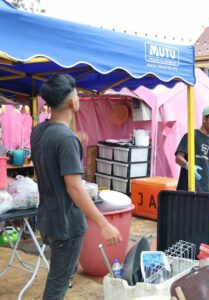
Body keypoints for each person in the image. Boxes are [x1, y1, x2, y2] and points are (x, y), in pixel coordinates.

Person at [31, 74, 122, 299]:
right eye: (76, 94)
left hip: (48, 219)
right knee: (58, 284)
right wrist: (104, 224)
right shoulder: (65, 139)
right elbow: (74, 188)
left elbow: (55, 145)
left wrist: (72, 139)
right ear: (73, 102)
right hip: (66, 224)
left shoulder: (40, 132)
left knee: (63, 272)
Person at [175, 104, 209, 192]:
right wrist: (188, 166)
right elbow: (178, 158)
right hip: (188, 189)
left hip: (206, 190)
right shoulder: (191, 135)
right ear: (204, 119)